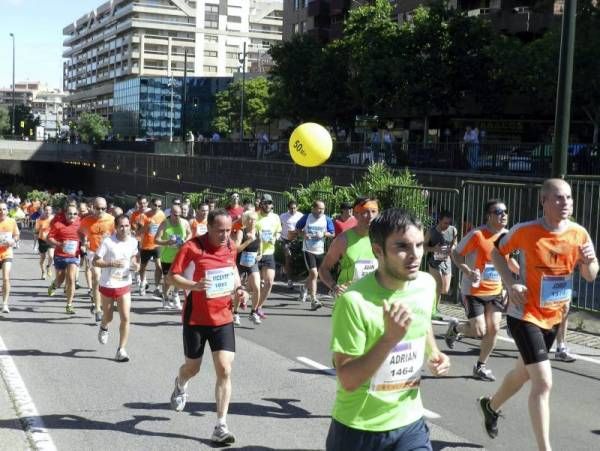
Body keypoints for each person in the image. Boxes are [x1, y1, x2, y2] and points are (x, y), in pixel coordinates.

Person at [479, 179, 598, 451]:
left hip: (554, 317)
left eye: (568, 197)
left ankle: (490, 406)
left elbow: (590, 277)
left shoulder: (579, 234)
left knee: (522, 374)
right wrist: (510, 283)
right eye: (557, 198)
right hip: (525, 315)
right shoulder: (526, 230)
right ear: (543, 201)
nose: (565, 203)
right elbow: (496, 252)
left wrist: (590, 260)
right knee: (543, 382)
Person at [326, 208, 450, 451]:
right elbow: (348, 379)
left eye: (419, 245)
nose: (414, 256)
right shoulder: (354, 301)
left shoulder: (425, 285)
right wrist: (388, 340)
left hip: (409, 423)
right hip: (358, 430)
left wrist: (435, 353)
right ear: (377, 251)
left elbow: (422, 322)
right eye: (402, 247)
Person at [167, 209, 247, 445]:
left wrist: (239, 290)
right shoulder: (192, 247)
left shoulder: (231, 246)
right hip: (196, 319)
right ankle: (181, 383)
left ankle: (220, 426)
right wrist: (195, 285)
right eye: (220, 231)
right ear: (209, 228)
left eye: (228, 231)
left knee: (224, 369)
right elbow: (172, 277)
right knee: (192, 368)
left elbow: (232, 272)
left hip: (223, 317)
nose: (225, 235)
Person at [446, 199, 517, 381]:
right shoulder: (477, 235)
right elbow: (456, 253)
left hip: (495, 291)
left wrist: (519, 270)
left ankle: (480, 366)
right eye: (498, 212)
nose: (503, 215)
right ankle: (456, 328)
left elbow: (507, 260)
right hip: (473, 291)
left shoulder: (507, 236)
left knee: (493, 329)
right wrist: (468, 271)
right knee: (479, 330)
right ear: (489, 215)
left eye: (505, 211)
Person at [94, 215, 140, 362]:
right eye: (121, 226)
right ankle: (103, 327)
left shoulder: (133, 242)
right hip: (108, 283)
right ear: (115, 227)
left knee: (126, 317)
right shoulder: (108, 242)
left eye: (127, 226)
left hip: (124, 284)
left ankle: (121, 350)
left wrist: (135, 265)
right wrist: (111, 263)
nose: (124, 229)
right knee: (108, 317)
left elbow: (133, 257)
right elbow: (96, 261)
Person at [319, 197, 380, 297]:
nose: (370, 216)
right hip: (348, 300)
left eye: (374, 211)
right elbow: (323, 269)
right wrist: (334, 287)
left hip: (373, 299)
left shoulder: (381, 239)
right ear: (355, 214)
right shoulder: (342, 240)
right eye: (365, 212)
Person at [78, 197, 115, 322]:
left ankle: (99, 300)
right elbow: (80, 232)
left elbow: (118, 235)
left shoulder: (111, 220)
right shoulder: (87, 220)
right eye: (98, 208)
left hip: (108, 253)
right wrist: (83, 241)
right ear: (92, 207)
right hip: (93, 252)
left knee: (109, 280)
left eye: (103, 208)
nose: (101, 211)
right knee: (97, 277)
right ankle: (98, 309)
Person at [295, 200, 335, 310]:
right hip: (308, 249)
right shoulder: (306, 217)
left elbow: (332, 233)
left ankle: (304, 288)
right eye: (319, 208)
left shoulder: (326, 219)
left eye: (323, 209)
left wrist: (323, 234)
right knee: (314, 273)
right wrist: (304, 234)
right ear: (313, 208)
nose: (321, 211)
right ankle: (313, 300)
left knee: (314, 275)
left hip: (320, 250)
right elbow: (297, 228)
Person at [155, 204, 191, 310]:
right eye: (175, 215)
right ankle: (165, 298)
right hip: (167, 257)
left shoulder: (184, 223)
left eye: (180, 214)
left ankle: (175, 295)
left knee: (180, 278)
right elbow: (156, 240)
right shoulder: (164, 224)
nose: (178, 217)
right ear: (170, 213)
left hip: (180, 256)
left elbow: (190, 233)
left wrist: (186, 240)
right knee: (168, 280)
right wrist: (167, 242)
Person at [46, 205, 81, 314]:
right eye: (70, 213)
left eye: (75, 214)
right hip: (60, 256)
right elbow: (49, 238)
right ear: (65, 214)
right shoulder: (58, 225)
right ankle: (54, 285)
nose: (72, 216)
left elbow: (85, 236)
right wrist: (59, 244)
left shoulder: (80, 224)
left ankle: (69, 305)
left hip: (73, 256)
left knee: (71, 278)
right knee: (60, 280)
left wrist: (85, 244)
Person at [424, 210, 457, 320]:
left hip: (446, 261)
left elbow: (454, 243)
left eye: (448, 223)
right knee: (438, 285)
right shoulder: (431, 232)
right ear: (439, 220)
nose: (447, 225)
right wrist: (434, 249)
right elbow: (423, 247)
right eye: (444, 223)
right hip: (434, 262)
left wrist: (451, 248)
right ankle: (433, 309)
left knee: (445, 289)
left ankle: (432, 304)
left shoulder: (453, 230)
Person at [254, 194, 281, 319]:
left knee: (269, 282)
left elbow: (279, 232)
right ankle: (242, 300)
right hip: (255, 253)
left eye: (269, 203)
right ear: (261, 204)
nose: (267, 205)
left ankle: (258, 307)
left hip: (269, 253)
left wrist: (275, 238)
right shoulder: (255, 217)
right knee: (253, 285)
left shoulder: (275, 217)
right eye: (265, 203)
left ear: (272, 204)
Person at [233, 210, 261, 325]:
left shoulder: (258, 232)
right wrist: (249, 240)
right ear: (245, 220)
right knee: (238, 289)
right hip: (240, 262)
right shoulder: (241, 231)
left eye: (254, 219)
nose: (252, 221)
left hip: (252, 262)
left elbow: (260, 244)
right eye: (250, 219)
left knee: (257, 287)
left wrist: (260, 254)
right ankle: (235, 313)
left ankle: (253, 312)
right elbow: (237, 248)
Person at [138, 198, 166, 297]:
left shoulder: (162, 214)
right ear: (151, 204)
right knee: (143, 267)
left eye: (159, 206)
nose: (157, 208)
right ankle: (142, 284)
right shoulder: (144, 215)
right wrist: (146, 227)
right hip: (145, 245)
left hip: (157, 244)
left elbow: (163, 228)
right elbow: (138, 232)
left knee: (159, 267)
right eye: (155, 205)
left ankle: (157, 288)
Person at [279, 200, 303, 289]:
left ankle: (284, 268)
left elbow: (303, 227)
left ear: (297, 207)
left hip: (296, 240)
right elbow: (278, 226)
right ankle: (289, 280)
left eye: (294, 208)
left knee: (292, 260)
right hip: (285, 240)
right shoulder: (283, 216)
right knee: (288, 257)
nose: (293, 210)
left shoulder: (300, 216)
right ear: (288, 208)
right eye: (291, 208)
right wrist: (279, 236)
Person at [0, 203, 19, 313]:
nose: (2, 211)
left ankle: (5, 304)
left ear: (7, 211)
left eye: (4, 209)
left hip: (7, 253)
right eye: (0, 209)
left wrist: (13, 240)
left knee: (6, 278)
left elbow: (17, 235)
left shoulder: (11, 221)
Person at [35, 205, 55, 279]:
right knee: (42, 258)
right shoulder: (40, 219)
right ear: (44, 211)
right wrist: (35, 245)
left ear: (51, 211)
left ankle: (48, 267)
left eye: (49, 210)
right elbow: (36, 231)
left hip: (51, 240)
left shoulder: (54, 218)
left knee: (51, 256)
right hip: (42, 240)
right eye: (46, 210)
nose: (48, 212)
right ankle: (43, 272)